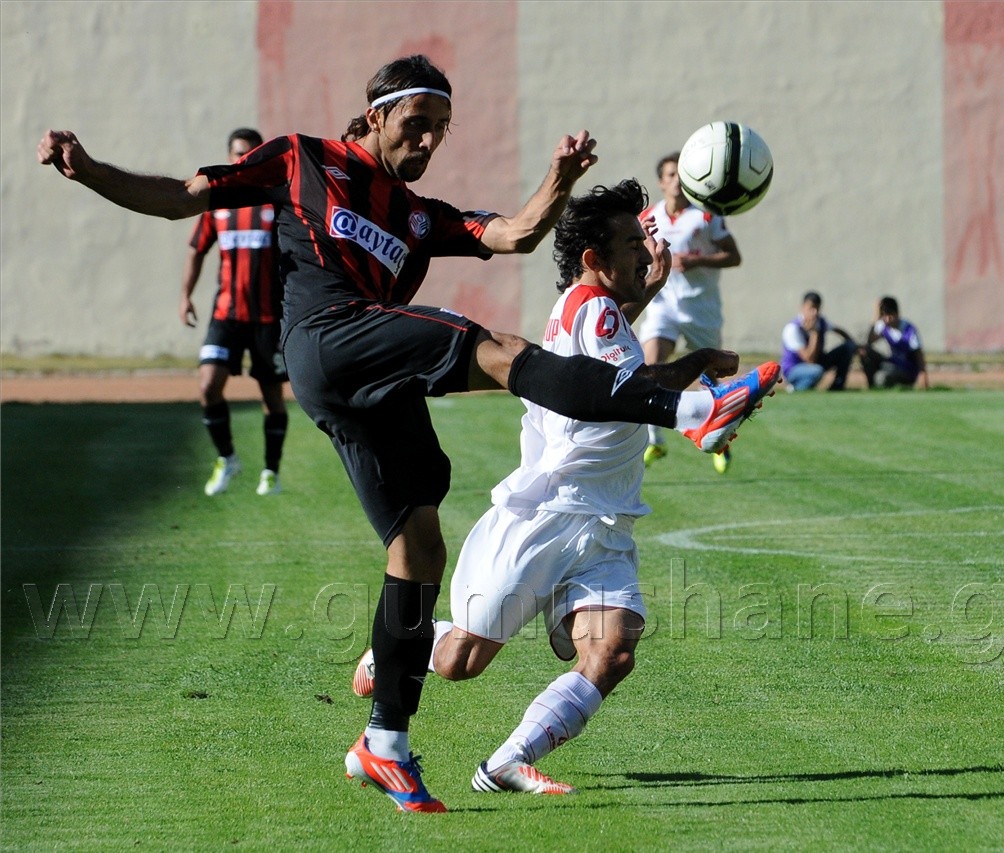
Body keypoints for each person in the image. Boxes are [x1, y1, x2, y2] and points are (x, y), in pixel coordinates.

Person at [37, 54, 779, 815]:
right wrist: (89, 168)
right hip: (326, 335)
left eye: (439, 131)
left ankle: (383, 741)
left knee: (420, 542)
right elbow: (180, 198)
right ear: (376, 114)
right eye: (416, 124)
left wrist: (559, 176)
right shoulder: (302, 158)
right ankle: (690, 413)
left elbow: (517, 233)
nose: (426, 142)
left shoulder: (419, 216)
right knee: (503, 351)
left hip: (368, 385)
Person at [351, 178, 770, 795]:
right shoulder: (590, 307)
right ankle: (392, 655)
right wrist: (698, 371)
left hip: (602, 521)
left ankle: (505, 763)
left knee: (613, 651)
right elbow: (620, 396)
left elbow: (615, 371)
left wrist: (650, 305)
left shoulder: (599, 312)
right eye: (632, 243)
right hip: (547, 515)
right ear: (593, 260)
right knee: (464, 661)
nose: (646, 251)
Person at [179, 127, 289, 497]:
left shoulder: (275, 201)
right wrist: (185, 295)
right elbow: (197, 250)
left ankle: (271, 472)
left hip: (268, 320)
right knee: (208, 386)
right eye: (238, 154)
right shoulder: (217, 203)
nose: (242, 160)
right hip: (226, 314)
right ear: (229, 157)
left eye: (250, 154)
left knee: (272, 398)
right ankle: (227, 459)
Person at [637, 152, 743, 473]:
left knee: (710, 378)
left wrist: (696, 261)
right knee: (650, 364)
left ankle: (719, 440)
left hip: (700, 309)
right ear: (661, 181)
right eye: (670, 175)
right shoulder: (649, 217)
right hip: (663, 307)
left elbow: (733, 256)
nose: (676, 182)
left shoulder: (705, 217)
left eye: (681, 176)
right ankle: (655, 439)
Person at [779, 291, 858, 391]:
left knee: (848, 347)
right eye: (811, 308)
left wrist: (854, 345)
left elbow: (837, 330)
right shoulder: (793, 329)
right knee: (817, 371)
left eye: (817, 308)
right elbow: (809, 359)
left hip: (816, 362)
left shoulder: (821, 322)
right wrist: (814, 332)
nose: (814, 312)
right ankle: (795, 388)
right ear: (802, 308)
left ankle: (837, 386)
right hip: (794, 369)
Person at [859, 296, 929, 389]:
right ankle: (872, 386)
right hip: (892, 364)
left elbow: (918, 354)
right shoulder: (883, 325)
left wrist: (923, 375)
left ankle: (899, 384)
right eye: (884, 316)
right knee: (865, 352)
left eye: (890, 315)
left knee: (881, 378)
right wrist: (875, 317)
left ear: (897, 314)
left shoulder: (908, 329)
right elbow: (869, 342)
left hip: (906, 369)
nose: (887, 319)